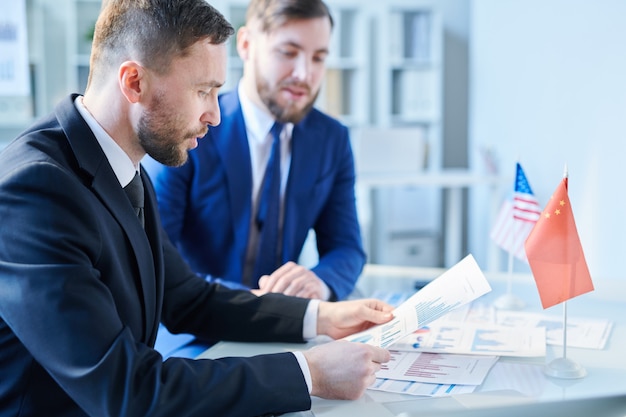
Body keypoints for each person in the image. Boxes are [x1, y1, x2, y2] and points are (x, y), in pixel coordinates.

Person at [0, 1, 393, 416]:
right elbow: (127, 391)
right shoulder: (33, 192)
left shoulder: (122, 162)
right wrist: (308, 373)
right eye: (203, 91)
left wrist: (321, 317)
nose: (216, 115)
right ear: (134, 82)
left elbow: (189, 299)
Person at [143, 0, 365, 303]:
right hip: (197, 321)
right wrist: (256, 305)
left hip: (286, 324)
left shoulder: (331, 139)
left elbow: (346, 246)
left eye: (318, 58)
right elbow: (155, 254)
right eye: (288, 53)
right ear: (246, 45)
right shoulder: (190, 126)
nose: (304, 74)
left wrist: (319, 282)